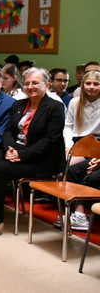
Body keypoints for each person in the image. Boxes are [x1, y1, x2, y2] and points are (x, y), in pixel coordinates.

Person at [0, 68, 65, 238]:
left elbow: (49, 141)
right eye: (28, 83)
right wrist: (11, 149)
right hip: (17, 152)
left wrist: (21, 155)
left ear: (47, 84)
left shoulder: (55, 107)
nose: (30, 86)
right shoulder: (19, 105)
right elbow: (8, 132)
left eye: (35, 83)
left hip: (42, 161)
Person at [59, 70, 100, 230]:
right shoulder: (75, 102)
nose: (91, 87)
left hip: (97, 144)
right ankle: (71, 210)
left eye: (96, 84)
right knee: (65, 165)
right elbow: (68, 126)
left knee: (75, 169)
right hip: (78, 142)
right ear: (82, 85)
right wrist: (68, 145)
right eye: (88, 83)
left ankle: (79, 212)